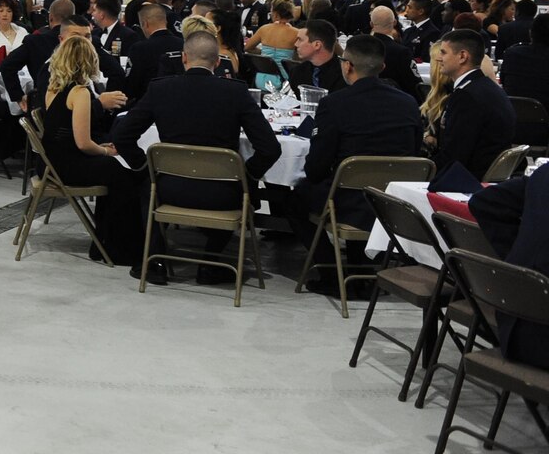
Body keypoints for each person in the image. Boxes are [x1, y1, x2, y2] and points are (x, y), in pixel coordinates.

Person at [112, 31, 280, 285]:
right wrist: (246, 175)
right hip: (223, 193)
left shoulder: (161, 89)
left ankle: (155, 260)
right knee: (245, 192)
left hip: (169, 189)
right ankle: (210, 259)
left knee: (147, 185)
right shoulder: (235, 93)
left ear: (183, 58)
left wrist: (144, 167)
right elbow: (270, 148)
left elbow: (122, 134)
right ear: (217, 62)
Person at [281, 35, 423, 251]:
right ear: (382, 67)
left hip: (347, 199)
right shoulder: (408, 103)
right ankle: (357, 263)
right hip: (394, 200)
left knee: (295, 202)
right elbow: (414, 149)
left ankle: (325, 265)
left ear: (347, 66)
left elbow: (317, 166)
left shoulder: (334, 104)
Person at [38, 36, 143, 264]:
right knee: (126, 175)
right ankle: (118, 247)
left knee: (114, 171)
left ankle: (103, 241)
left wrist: (101, 149)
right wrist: (106, 151)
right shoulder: (80, 93)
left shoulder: (53, 88)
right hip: (70, 164)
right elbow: (83, 143)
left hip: (54, 162)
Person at [466, 160, 549, 367]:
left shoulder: (543, 174)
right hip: (540, 335)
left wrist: (516, 263)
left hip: (511, 316)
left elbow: (484, 201)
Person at [426, 28, 516, 180]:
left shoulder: (467, 97)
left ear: (462, 56)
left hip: (467, 181)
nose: (438, 58)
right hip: (484, 176)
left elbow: (454, 156)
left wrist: (421, 170)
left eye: (443, 52)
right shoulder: (487, 88)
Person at [285, 19, 347, 95]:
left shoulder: (346, 74)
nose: (296, 44)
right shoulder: (297, 72)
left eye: (300, 40)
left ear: (317, 45)